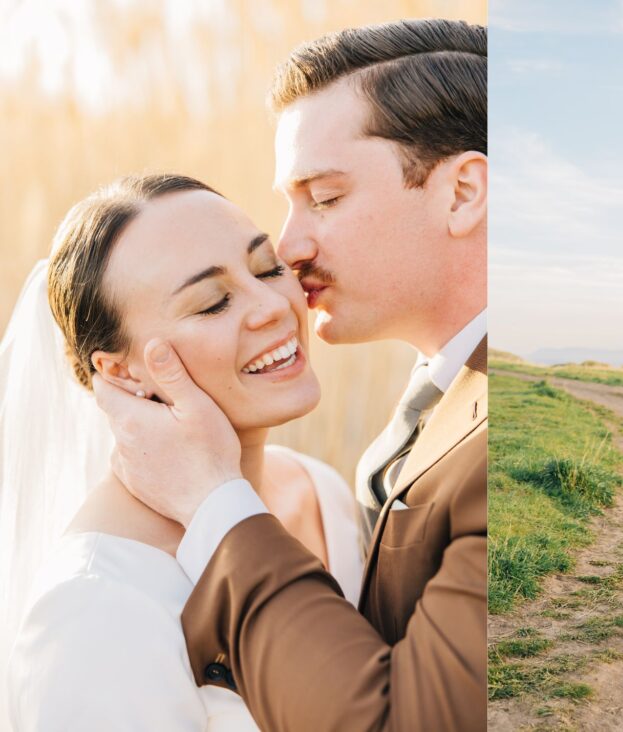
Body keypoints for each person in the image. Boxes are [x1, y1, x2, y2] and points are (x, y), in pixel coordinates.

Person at [90, 20, 487, 731]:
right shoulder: (441, 401)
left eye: (325, 198)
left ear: (462, 193)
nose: (290, 247)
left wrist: (216, 501)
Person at [2, 174, 363, 730]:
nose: (272, 305)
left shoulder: (322, 491)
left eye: (267, 268)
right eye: (214, 303)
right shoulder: (94, 609)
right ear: (121, 373)